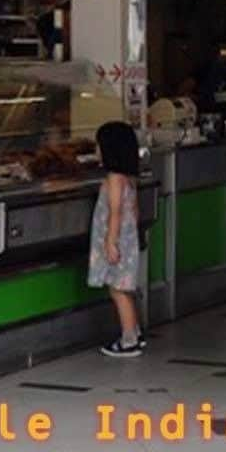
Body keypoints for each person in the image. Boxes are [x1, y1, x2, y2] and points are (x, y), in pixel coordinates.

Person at [88, 121, 145, 358]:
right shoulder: (129, 179)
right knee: (124, 289)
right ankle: (135, 332)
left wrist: (110, 241)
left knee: (118, 290)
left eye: (99, 146)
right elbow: (133, 210)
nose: (96, 150)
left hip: (117, 240)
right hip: (128, 240)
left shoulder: (114, 179)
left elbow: (115, 212)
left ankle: (128, 340)